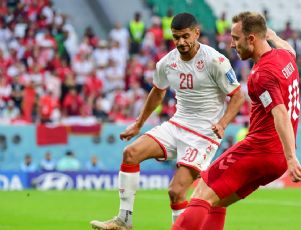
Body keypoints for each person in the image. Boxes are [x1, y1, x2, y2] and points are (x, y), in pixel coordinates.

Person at [90, 13, 244, 230]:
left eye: (185, 36)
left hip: (203, 134)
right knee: (130, 154)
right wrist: (138, 124)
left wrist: (223, 123)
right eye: (176, 37)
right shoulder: (167, 62)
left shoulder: (215, 61)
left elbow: (238, 96)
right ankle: (124, 220)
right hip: (177, 124)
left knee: (176, 191)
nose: (181, 42)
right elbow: (157, 92)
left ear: (197, 33)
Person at [172, 11, 301, 230]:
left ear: (251, 38)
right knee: (217, 200)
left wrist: (292, 158)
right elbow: (290, 49)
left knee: (203, 191)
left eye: (236, 39)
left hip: (261, 150)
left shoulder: (261, 75)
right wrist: (271, 35)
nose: (232, 45)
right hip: (277, 160)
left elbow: (279, 112)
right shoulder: (285, 56)